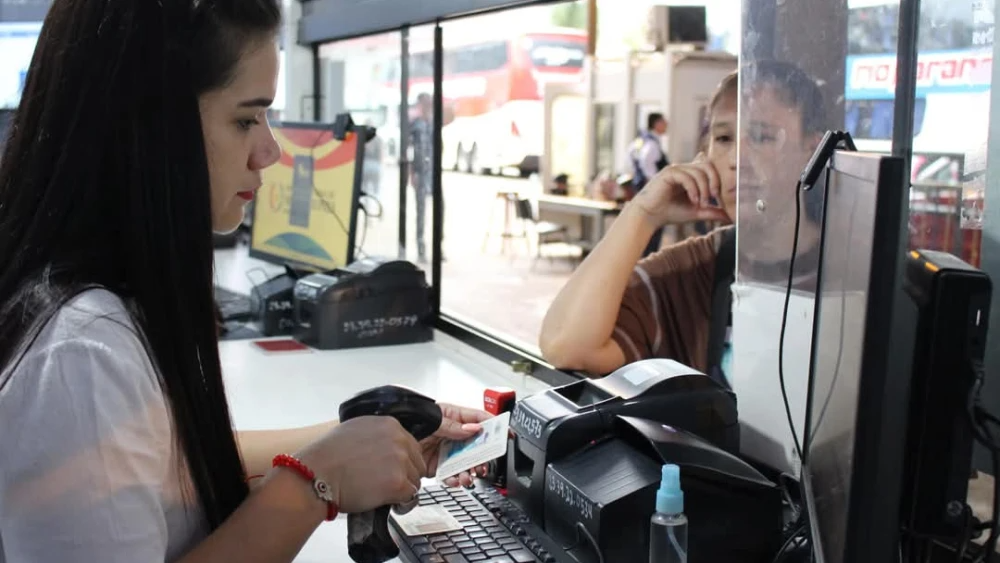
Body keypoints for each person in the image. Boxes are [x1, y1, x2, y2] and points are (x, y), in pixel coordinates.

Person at [0, 2, 489, 561]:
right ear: (149, 129)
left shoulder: (103, 308)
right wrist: (315, 481)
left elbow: (163, 461)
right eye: (245, 119)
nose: (271, 152)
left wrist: (362, 440)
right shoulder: (81, 357)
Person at [539, 61, 827, 384]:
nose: (736, 159)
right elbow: (565, 344)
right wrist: (644, 214)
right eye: (723, 138)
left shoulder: (848, 271)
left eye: (762, 136)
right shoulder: (693, 270)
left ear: (811, 151)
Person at [630, 112, 671, 257]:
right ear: (657, 123)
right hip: (651, 193)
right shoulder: (652, 144)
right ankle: (648, 262)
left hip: (640, 192)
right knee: (653, 231)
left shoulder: (640, 141)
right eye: (664, 122)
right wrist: (656, 186)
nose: (667, 125)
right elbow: (647, 164)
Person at [410, 92, 435, 262]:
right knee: (420, 212)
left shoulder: (434, 124)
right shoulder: (416, 125)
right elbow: (411, 150)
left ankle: (438, 247)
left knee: (439, 209)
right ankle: (421, 248)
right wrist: (412, 173)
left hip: (433, 173)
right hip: (421, 172)